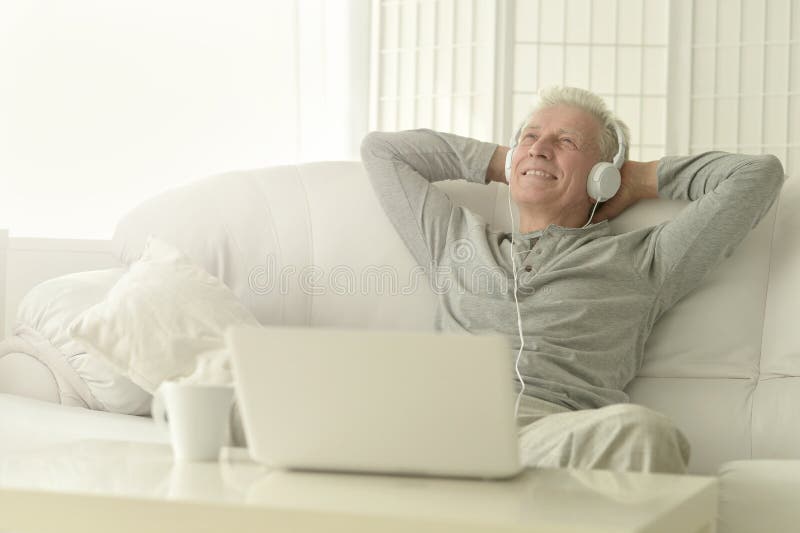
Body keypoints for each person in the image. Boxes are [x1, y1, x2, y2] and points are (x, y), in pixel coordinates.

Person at [360, 85, 784, 474]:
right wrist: (510, 161)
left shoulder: (643, 260)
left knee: (643, 433)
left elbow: (756, 175)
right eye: (529, 136)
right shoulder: (454, 240)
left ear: (603, 173)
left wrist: (634, 179)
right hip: (442, 431)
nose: (540, 148)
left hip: (552, 442)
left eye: (566, 142)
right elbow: (381, 151)